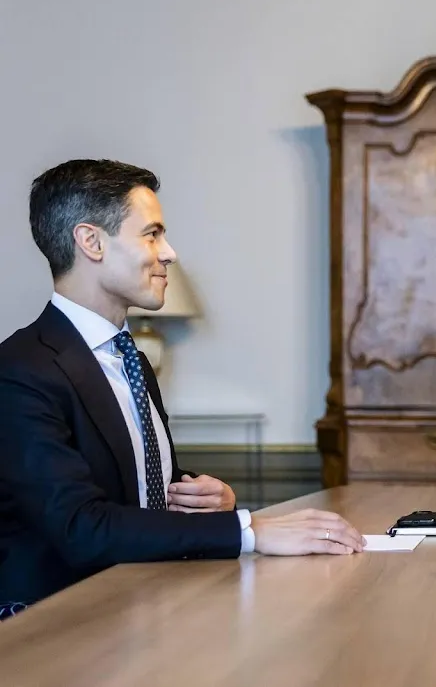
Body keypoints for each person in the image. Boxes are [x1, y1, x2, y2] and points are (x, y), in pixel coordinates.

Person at [0, 159, 365, 618]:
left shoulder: (131, 359)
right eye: (151, 234)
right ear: (91, 241)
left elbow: (135, 486)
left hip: (143, 607)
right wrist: (248, 530)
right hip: (54, 625)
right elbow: (81, 527)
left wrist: (203, 499)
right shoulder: (20, 370)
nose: (169, 253)